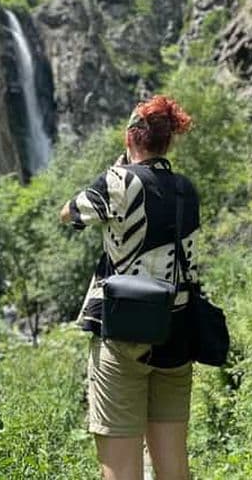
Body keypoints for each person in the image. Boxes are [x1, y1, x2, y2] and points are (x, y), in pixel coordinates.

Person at [59, 95, 199, 480]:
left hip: (123, 333)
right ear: (168, 141)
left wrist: (117, 167)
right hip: (177, 332)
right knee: (174, 466)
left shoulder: (117, 181)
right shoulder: (187, 189)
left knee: (121, 469)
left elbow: (69, 213)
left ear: (132, 136)